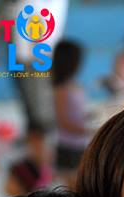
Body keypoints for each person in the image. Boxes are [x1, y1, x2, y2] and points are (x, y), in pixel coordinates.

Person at [51, 39, 90, 177]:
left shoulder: (73, 84)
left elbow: (78, 113)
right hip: (67, 147)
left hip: (79, 144)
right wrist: (88, 130)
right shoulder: (61, 89)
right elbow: (62, 121)